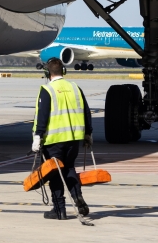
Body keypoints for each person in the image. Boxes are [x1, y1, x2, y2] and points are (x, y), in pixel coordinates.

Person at [32, 57, 93, 220]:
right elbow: (87, 112)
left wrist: (37, 136)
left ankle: (60, 210)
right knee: (70, 168)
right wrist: (88, 134)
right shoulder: (75, 88)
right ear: (63, 71)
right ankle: (78, 197)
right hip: (73, 139)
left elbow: (42, 116)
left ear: (47, 72)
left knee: (55, 174)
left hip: (54, 140)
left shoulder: (47, 90)